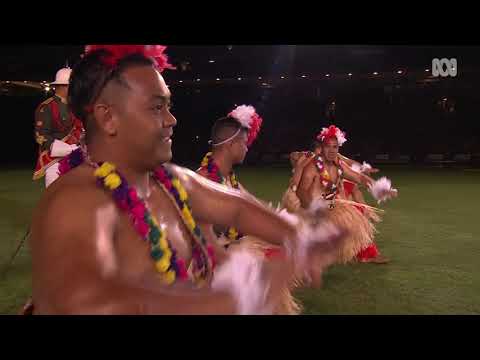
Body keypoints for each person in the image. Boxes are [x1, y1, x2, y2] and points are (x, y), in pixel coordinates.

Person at [27, 45, 343, 315]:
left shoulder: (168, 180)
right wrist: (231, 297)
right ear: (109, 117)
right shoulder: (77, 201)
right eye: (156, 107)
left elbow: (237, 208)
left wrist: (299, 238)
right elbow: (89, 301)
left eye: (169, 106)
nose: (171, 120)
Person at [196, 106, 306, 314]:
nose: (247, 149)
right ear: (231, 145)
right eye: (244, 144)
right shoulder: (203, 181)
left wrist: (286, 208)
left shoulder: (230, 179)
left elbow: (256, 209)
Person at [295, 125, 397, 264]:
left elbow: (359, 178)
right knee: (305, 250)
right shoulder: (312, 167)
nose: (331, 150)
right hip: (312, 207)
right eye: (328, 146)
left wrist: (380, 187)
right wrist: (315, 210)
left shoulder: (339, 165)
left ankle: (363, 254)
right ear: (322, 147)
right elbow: (301, 191)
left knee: (356, 222)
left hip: (332, 204)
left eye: (335, 147)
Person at [33, 67, 84, 188]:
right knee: (54, 196)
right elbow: (41, 136)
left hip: (77, 158)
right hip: (54, 160)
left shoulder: (76, 106)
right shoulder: (47, 107)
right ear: (63, 86)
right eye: (72, 86)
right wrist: (66, 149)